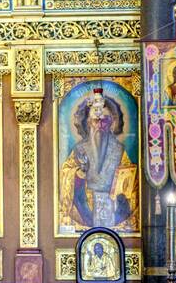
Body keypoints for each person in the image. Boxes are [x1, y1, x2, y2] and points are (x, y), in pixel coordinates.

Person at [59, 88, 138, 231]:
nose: (100, 126)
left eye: (105, 122)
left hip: (113, 206)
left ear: (112, 124)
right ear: (88, 122)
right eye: (95, 121)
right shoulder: (79, 149)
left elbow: (131, 183)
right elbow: (65, 175)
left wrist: (125, 181)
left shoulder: (119, 149)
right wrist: (78, 173)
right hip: (86, 206)